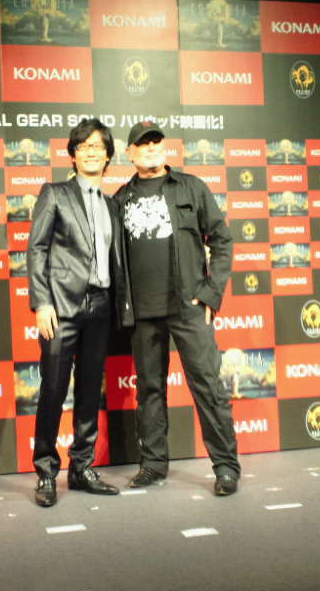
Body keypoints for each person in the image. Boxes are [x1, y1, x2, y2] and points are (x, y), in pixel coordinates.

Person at [113, 120, 241, 496]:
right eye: (143, 143)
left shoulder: (191, 187)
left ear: (164, 147)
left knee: (208, 386)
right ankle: (153, 464)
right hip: (141, 312)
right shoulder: (120, 199)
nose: (151, 147)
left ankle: (226, 467)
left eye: (156, 141)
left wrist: (211, 292)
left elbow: (222, 239)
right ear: (129, 153)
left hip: (188, 307)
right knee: (149, 390)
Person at [27, 118, 119, 507]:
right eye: (84, 146)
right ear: (73, 154)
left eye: (98, 146)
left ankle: (81, 468)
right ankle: (46, 472)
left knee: (89, 391)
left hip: (101, 306)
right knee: (52, 389)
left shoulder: (112, 204)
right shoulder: (55, 194)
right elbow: (37, 249)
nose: (92, 152)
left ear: (109, 155)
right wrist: (42, 302)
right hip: (60, 308)